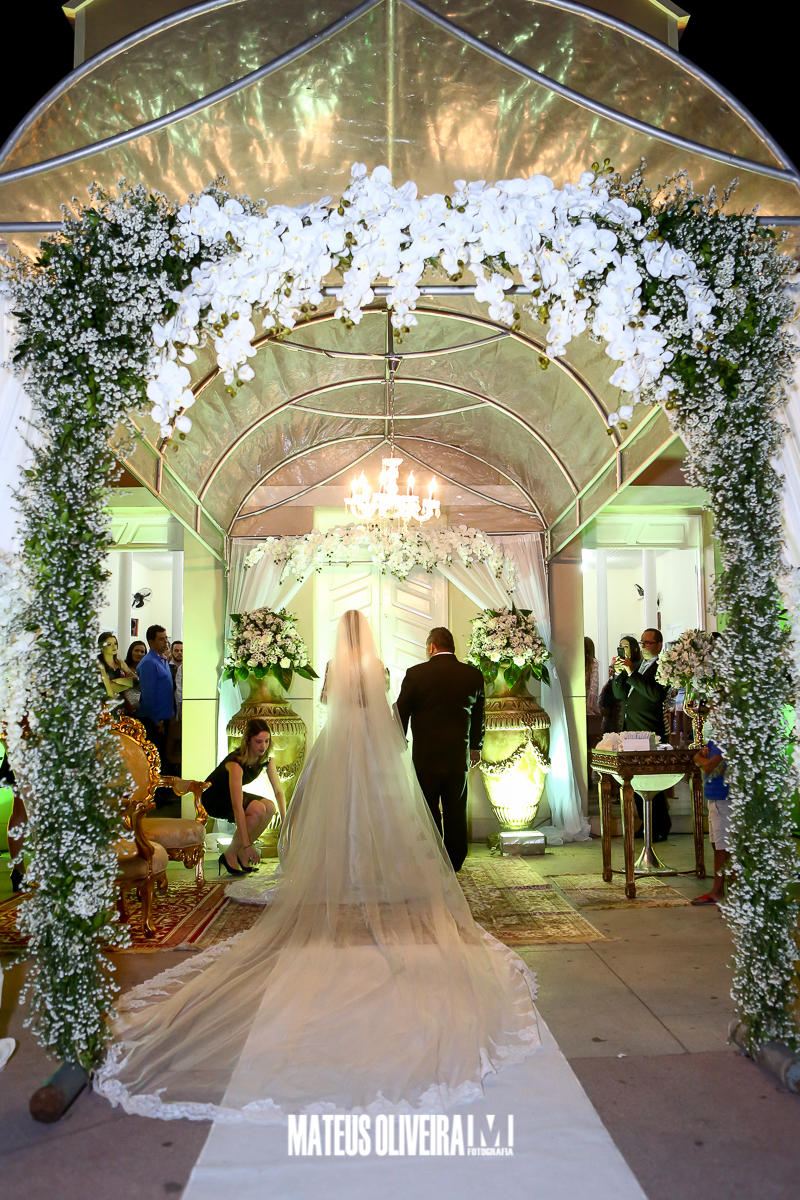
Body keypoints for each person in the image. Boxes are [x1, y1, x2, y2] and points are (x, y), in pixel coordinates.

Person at [94, 610, 540, 1121]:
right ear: (366, 637)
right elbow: (384, 712)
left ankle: (341, 871)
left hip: (338, 745)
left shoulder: (333, 666)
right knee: (381, 810)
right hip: (372, 747)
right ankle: (378, 871)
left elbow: (329, 701)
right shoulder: (377, 668)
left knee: (335, 810)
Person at [395, 625, 485, 872]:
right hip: (457, 757)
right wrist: (475, 747)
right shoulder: (472, 675)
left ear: (431, 647)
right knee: (456, 808)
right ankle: (455, 860)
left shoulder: (416, 674)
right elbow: (479, 717)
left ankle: (432, 857)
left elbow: (401, 711)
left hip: (425, 757)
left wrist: (399, 740)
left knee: (427, 808)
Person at [205, 719, 285, 877]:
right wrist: (249, 845)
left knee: (270, 807)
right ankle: (231, 854)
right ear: (248, 740)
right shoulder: (236, 763)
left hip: (229, 794)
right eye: (258, 741)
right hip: (214, 798)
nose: (263, 746)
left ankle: (240, 851)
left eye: (267, 741)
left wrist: (284, 820)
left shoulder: (266, 759)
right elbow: (237, 808)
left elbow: (278, 791)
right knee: (258, 810)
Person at [611, 627, 670, 840]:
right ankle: (646, 824)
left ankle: (660, 826)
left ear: (659, 645)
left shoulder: (663, 667)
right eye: (642, 642)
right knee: (635, 780)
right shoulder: (636, 666)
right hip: (631, 729)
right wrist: (618, 673)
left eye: (648, 643)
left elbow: (655, 694)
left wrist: (631, 673)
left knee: (652, 781)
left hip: (649, 730)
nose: (643, 646)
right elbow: (619, 694)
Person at [691, 724, 731, 906]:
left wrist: (702, 761)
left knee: (724, 846)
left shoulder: (728, 740)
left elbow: (710, 768)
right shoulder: (716, 739)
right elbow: (699, 759)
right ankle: (720, 889)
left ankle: (720, 891)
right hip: (714, 796)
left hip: (723, 797)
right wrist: (702, 761)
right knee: (716, 843)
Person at [136, 625, 174, 778]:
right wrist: (157, 721)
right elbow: (148, 695)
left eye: (166, 638)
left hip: (164, 717)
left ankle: (162, 786)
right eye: (161, 639)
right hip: (153, 720)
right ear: (151, 642)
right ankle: (155, 789)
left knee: (163, 757)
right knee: (154, 759)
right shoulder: (149, 663)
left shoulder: (162, 659)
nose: (165, 642)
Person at [97, 633, 137, 701]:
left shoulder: (120, 663)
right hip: (106, 702)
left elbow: (136, 680)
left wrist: (119, 681)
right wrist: (128, 683)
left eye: (115, 643)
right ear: (101, 647)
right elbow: (109, 688)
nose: (113, 646)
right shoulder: (99, 665)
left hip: (121, 701)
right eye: (109, 644)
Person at [123, 640, 146, 716]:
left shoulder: (146, 670)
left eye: (142, 652)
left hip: (143, 711)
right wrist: (131, 709)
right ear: (131, 652)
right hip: (126, 710)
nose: (139, 654)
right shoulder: (123, 668)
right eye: (136, 650)